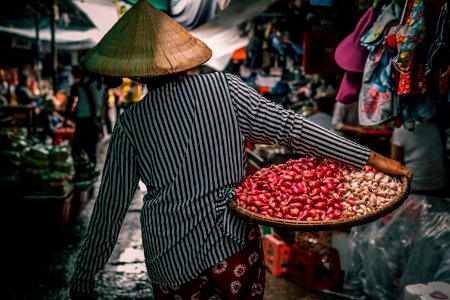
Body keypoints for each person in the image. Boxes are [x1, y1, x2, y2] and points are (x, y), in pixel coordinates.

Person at [69, 1, 412, 299]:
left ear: (135, 73)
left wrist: (85, 275)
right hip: (231, 247)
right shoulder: (225, 88)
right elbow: (293, 128)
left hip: (171, 260)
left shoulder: (133, 121)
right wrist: (371, 157)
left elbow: (111, 206)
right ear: (182, 54)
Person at [391, 119, 447, 196]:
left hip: (413, 187)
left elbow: (395, 163)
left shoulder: (400, 129)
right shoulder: (434, 126)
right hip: (439, 184)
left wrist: (392, 143)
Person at [65, 65, 105, 167]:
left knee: (76, 148)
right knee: (91, 149)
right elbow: (103, 105)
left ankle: (82, 171)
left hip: (86, 119)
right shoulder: (100, 83)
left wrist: (66, 118)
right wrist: (100, 121)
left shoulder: (83, 84)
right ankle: (90, 172)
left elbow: (91, 103)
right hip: (95, 118)